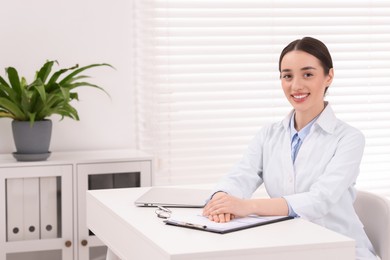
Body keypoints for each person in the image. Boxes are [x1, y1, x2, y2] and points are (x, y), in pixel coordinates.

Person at [202, 37, 377, 260]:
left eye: (308, 74)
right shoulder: (269, 134)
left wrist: (247, 206)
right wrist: (221, 199)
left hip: (339, 250)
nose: (296, 86)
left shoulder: (349, 138)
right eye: (287, 76)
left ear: (329, 76)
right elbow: (241, 175)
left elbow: (319, 200)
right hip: (289, 245)